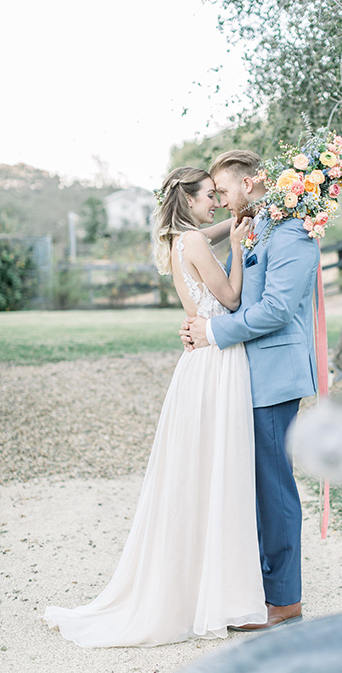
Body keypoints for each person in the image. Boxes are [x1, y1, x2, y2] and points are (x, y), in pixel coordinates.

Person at [43, 167, 268, 647]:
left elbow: (207, 233)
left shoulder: (175, 239)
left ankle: (205, 585)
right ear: (188, 198)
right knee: (219, 470)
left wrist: (232, 225)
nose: (216, 203)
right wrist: (238, 251)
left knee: (199, 471)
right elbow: (229, 299)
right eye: (210, 196)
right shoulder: (195, 244)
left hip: (197, 366)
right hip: (217, 361)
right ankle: (217, 592)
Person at [181, 150, 320, 630]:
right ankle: (256, 590)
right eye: (212, 194)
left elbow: (278, 310)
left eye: (221, 190)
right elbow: (199, 247)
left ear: (250, 182)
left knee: (273, 487)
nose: (217, 199)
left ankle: (284, 599)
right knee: (251, 486)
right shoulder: (261, 225)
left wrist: (214, 333)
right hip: (245, 376)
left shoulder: (295, 233)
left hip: (274, 376)